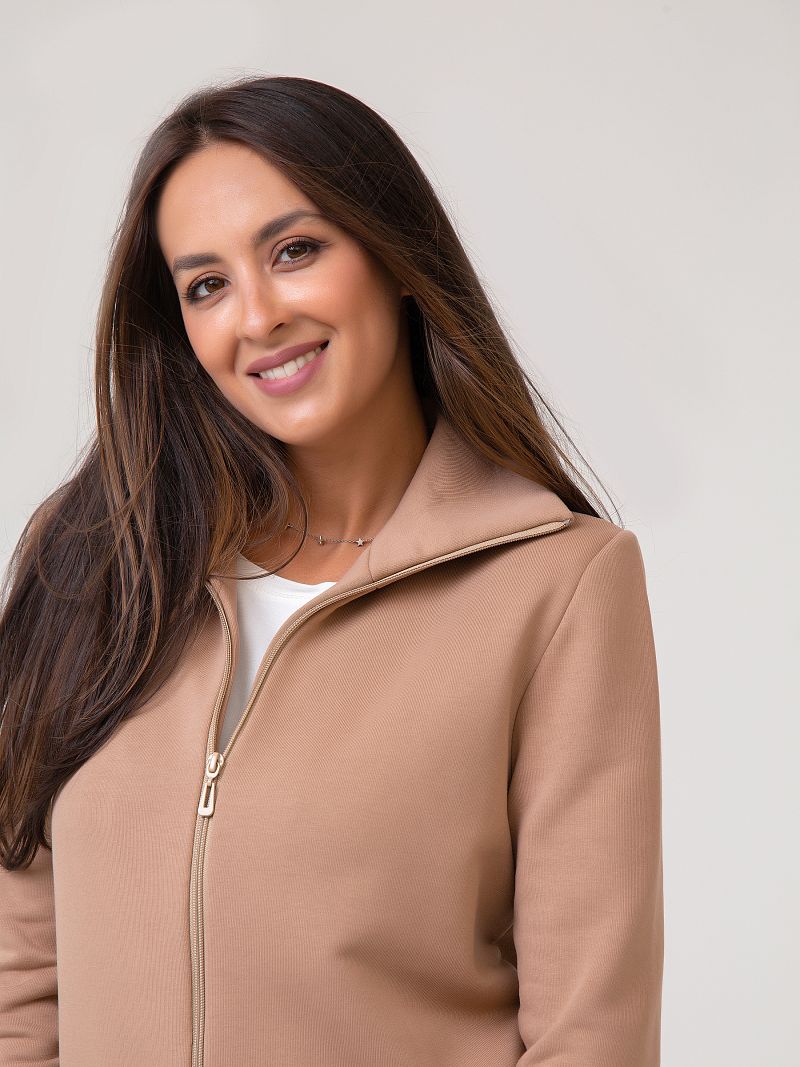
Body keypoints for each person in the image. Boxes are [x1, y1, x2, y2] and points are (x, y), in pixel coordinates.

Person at [0, 75, 663, 1066]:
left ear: (394, 256)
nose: (258, 316)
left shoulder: (557, 585)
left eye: (294, 251)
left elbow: (590, 1029)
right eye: (207, 285)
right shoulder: (98, 558)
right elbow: (19, 974)